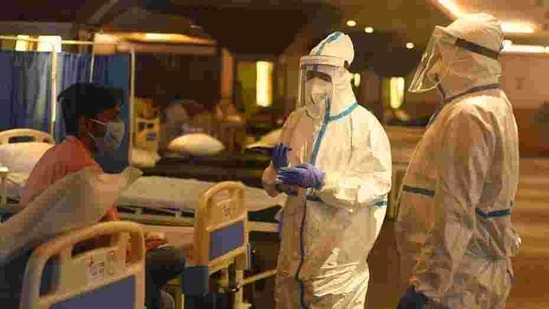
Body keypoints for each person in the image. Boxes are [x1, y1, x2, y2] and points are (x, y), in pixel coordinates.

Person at [18, 83, 184, 309]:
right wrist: (141, 246)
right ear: (86, 124)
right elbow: (108, 236)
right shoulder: (82, 167)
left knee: (162, 299)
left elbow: (100, 225)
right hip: (70, 266)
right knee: (172, 258)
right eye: (112, 118)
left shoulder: (56, 154)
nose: (118, 126)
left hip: (50, 260)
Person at [394, 13, 521, 309]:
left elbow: (456, 209)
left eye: (443, 57)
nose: (436, 69)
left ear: (466, 59)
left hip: (457, 282)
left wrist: (427, 286)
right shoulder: (493, 104)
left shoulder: (469, 115)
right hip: (469, 273)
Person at [262, 32, 392, 308]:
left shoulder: (365, 126)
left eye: (323, 76)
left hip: (338, 257)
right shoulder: (297, 120)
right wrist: (279, 177)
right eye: (311, 75)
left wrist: (324, 181)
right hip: (292, 255)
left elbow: (375, 186)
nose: (314, 84)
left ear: (342, 77)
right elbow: (275, 182)